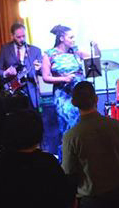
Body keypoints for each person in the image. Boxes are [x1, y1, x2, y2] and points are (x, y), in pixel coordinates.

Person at [42, 25, 100, 155]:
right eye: (71, 37)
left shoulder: (75, 51)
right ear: (61, 38)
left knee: (85, 124)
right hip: (63, 95)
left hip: (80, 93)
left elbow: (94, 58)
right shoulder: (49, 54)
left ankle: (87, 155)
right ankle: (70, 157)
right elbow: (46, 77)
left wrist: (96, 46)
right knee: (68, 125)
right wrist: (64, 79)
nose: (73, 40)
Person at [0, 22, 43, 110]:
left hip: (31, 93)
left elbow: (43, 73)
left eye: (24, 36)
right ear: (12, 36)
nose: (22, 39)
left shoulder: (35, 51)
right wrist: (5, 73)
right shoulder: (5, 49)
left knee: (34, 116)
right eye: (18, 37)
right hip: (12, 93)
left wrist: (40, 69)